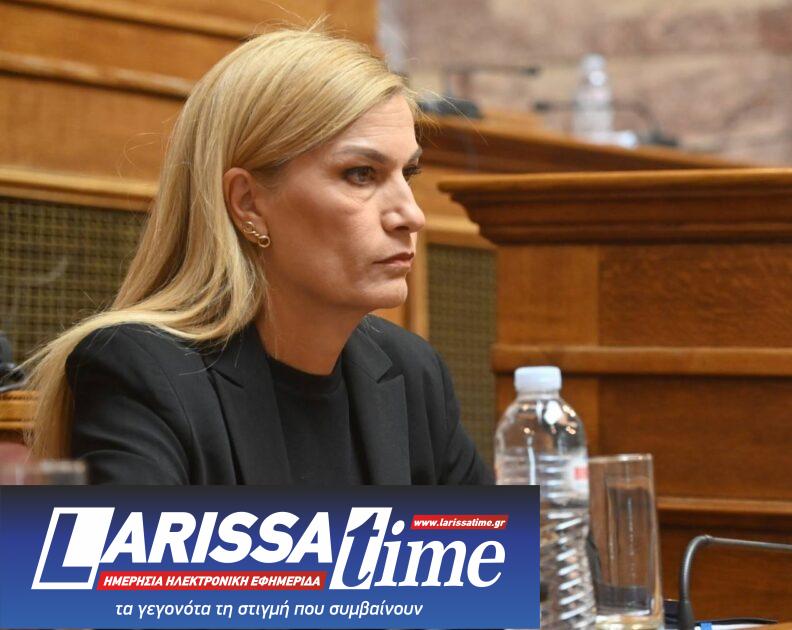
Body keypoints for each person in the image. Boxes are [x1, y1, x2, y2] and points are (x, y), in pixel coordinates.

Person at [21, 24, 492, 486]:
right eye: (361, 174)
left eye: (407, 174)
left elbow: (490, 540)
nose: (411, 215)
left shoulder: (411, 372)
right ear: (248, 203)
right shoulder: (143, 371)